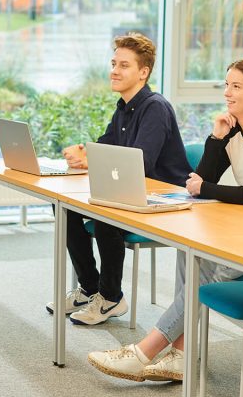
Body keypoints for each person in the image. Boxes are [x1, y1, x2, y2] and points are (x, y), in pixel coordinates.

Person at [86, 58, 243, 382]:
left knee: (208, 274)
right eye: (226, 85)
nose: (228, 93)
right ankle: (180, 355)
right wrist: (217, 139)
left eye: (236, 87)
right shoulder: (233, 127)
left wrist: (203, 186)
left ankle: (144, 352)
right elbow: (200, 180)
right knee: (188, 249)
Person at [53, 33, 191, 326]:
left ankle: (111, 297)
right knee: (63, 207)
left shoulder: (155, 107)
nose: (114, 70)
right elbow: (106, 148)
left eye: (124, 65)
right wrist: (83, 154)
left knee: (106, 211)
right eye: (114, 63)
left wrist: (94, 159)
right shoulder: (123, 107)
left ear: (143, 72)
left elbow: (139, 162)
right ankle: (90, 288)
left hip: (167, 199)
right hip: (135, 192)